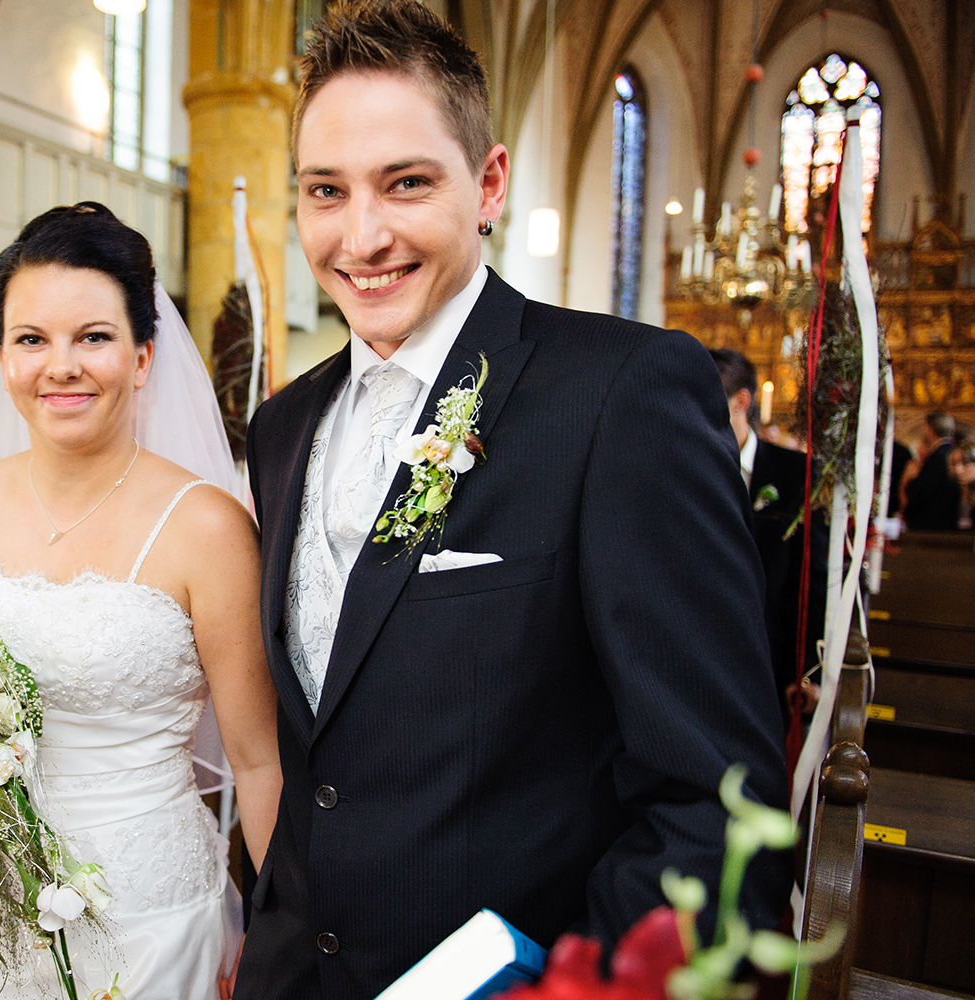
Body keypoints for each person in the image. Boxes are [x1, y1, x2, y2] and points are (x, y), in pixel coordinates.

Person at [232, 4, 791, 998]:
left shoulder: (621, 395)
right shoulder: (283, 429)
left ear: (487, 184)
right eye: (327, 191)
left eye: (407, 183)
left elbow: (716, 812)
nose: (361, 235)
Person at [0, 203, 282, 1000]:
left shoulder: (208, 526)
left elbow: (258, 760)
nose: (62, 366)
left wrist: (276, 937)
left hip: (147, 915)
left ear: (144, 355)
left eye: (94, 337)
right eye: (31, 339)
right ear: (3, 356)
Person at [711, 348, 827, 727]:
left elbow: (815, 577)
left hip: (770, 660)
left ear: (740, 401)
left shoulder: (797, 474)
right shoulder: (683, 470)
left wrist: (810, 669)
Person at [902, 410, 961, 530]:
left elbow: (924, 491)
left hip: (932, 524)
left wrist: (910, 481)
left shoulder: (938, 456)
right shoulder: (949, 451)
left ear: (930, 430)